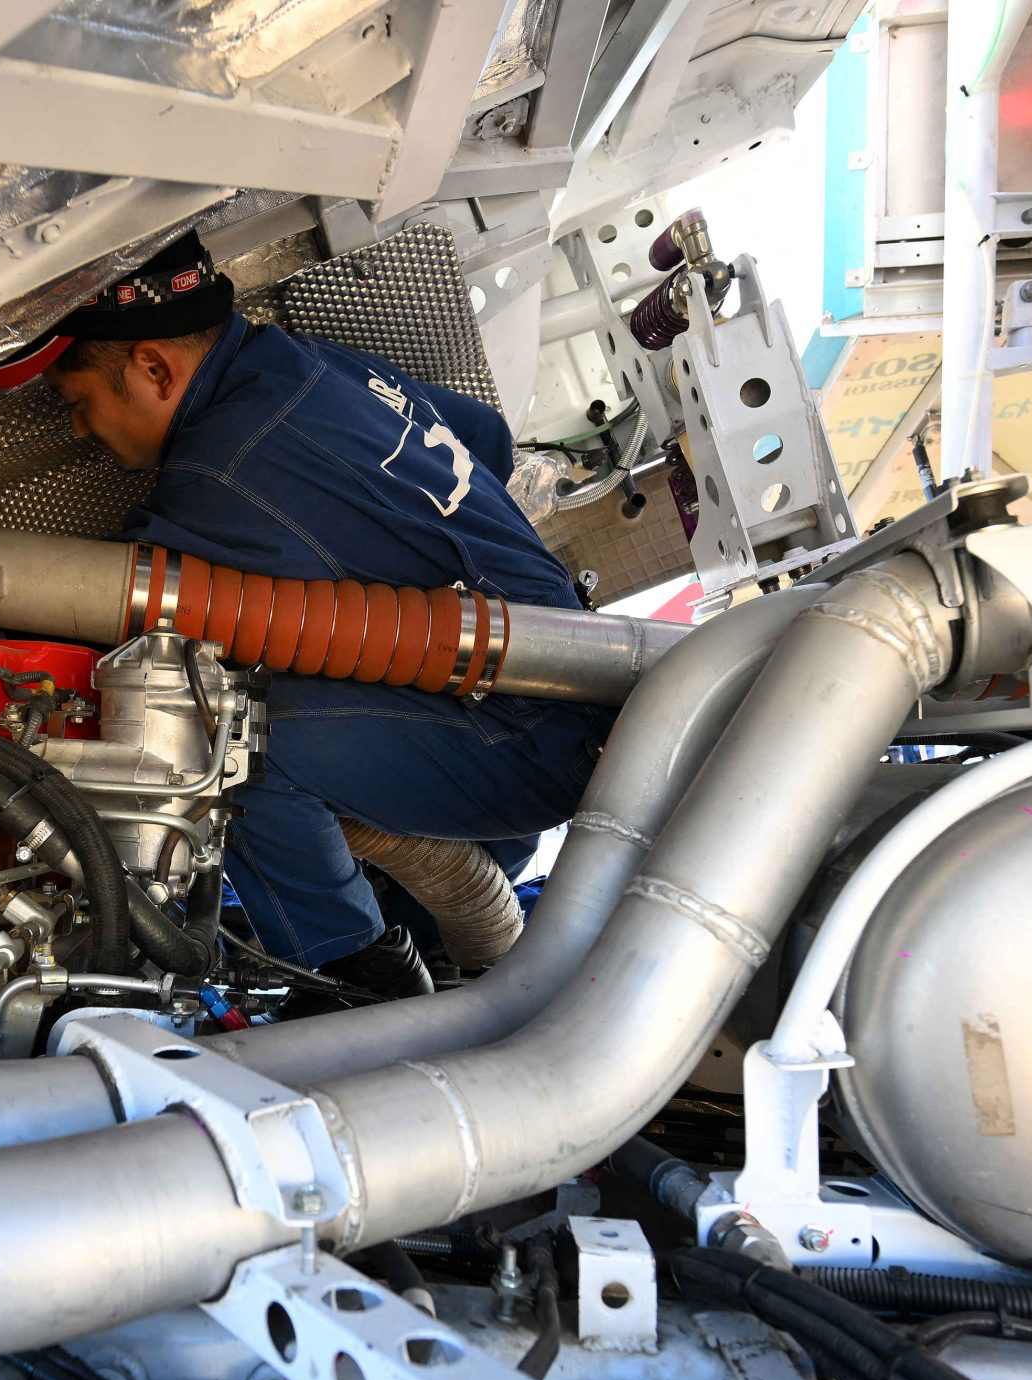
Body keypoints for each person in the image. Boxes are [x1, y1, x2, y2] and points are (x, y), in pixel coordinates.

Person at [33, 231, 611, 1001]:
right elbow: (488, 441)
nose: (80, 430)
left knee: (231, 746)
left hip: (519, 738)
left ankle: (350, 988)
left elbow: (102, 605)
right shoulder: (307, 363)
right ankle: (420, 945)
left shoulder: (222, 466)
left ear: (152, 368)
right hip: (569, 672)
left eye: (81, 404)